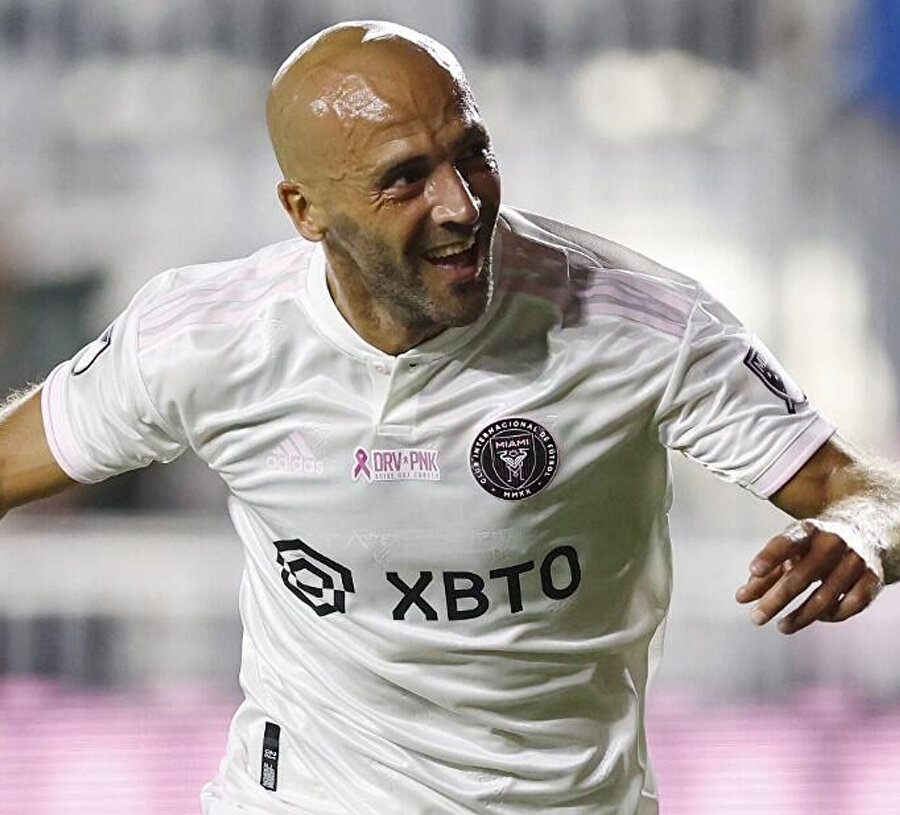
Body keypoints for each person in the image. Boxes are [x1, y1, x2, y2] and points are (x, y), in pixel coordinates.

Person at [0, 19, 897, 815]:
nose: (463, 205)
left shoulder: (639, 325)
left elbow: (863, 488)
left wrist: (859, 530)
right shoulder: (205, 338)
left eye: (472, 153)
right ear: (305, 210)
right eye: (405, 179)